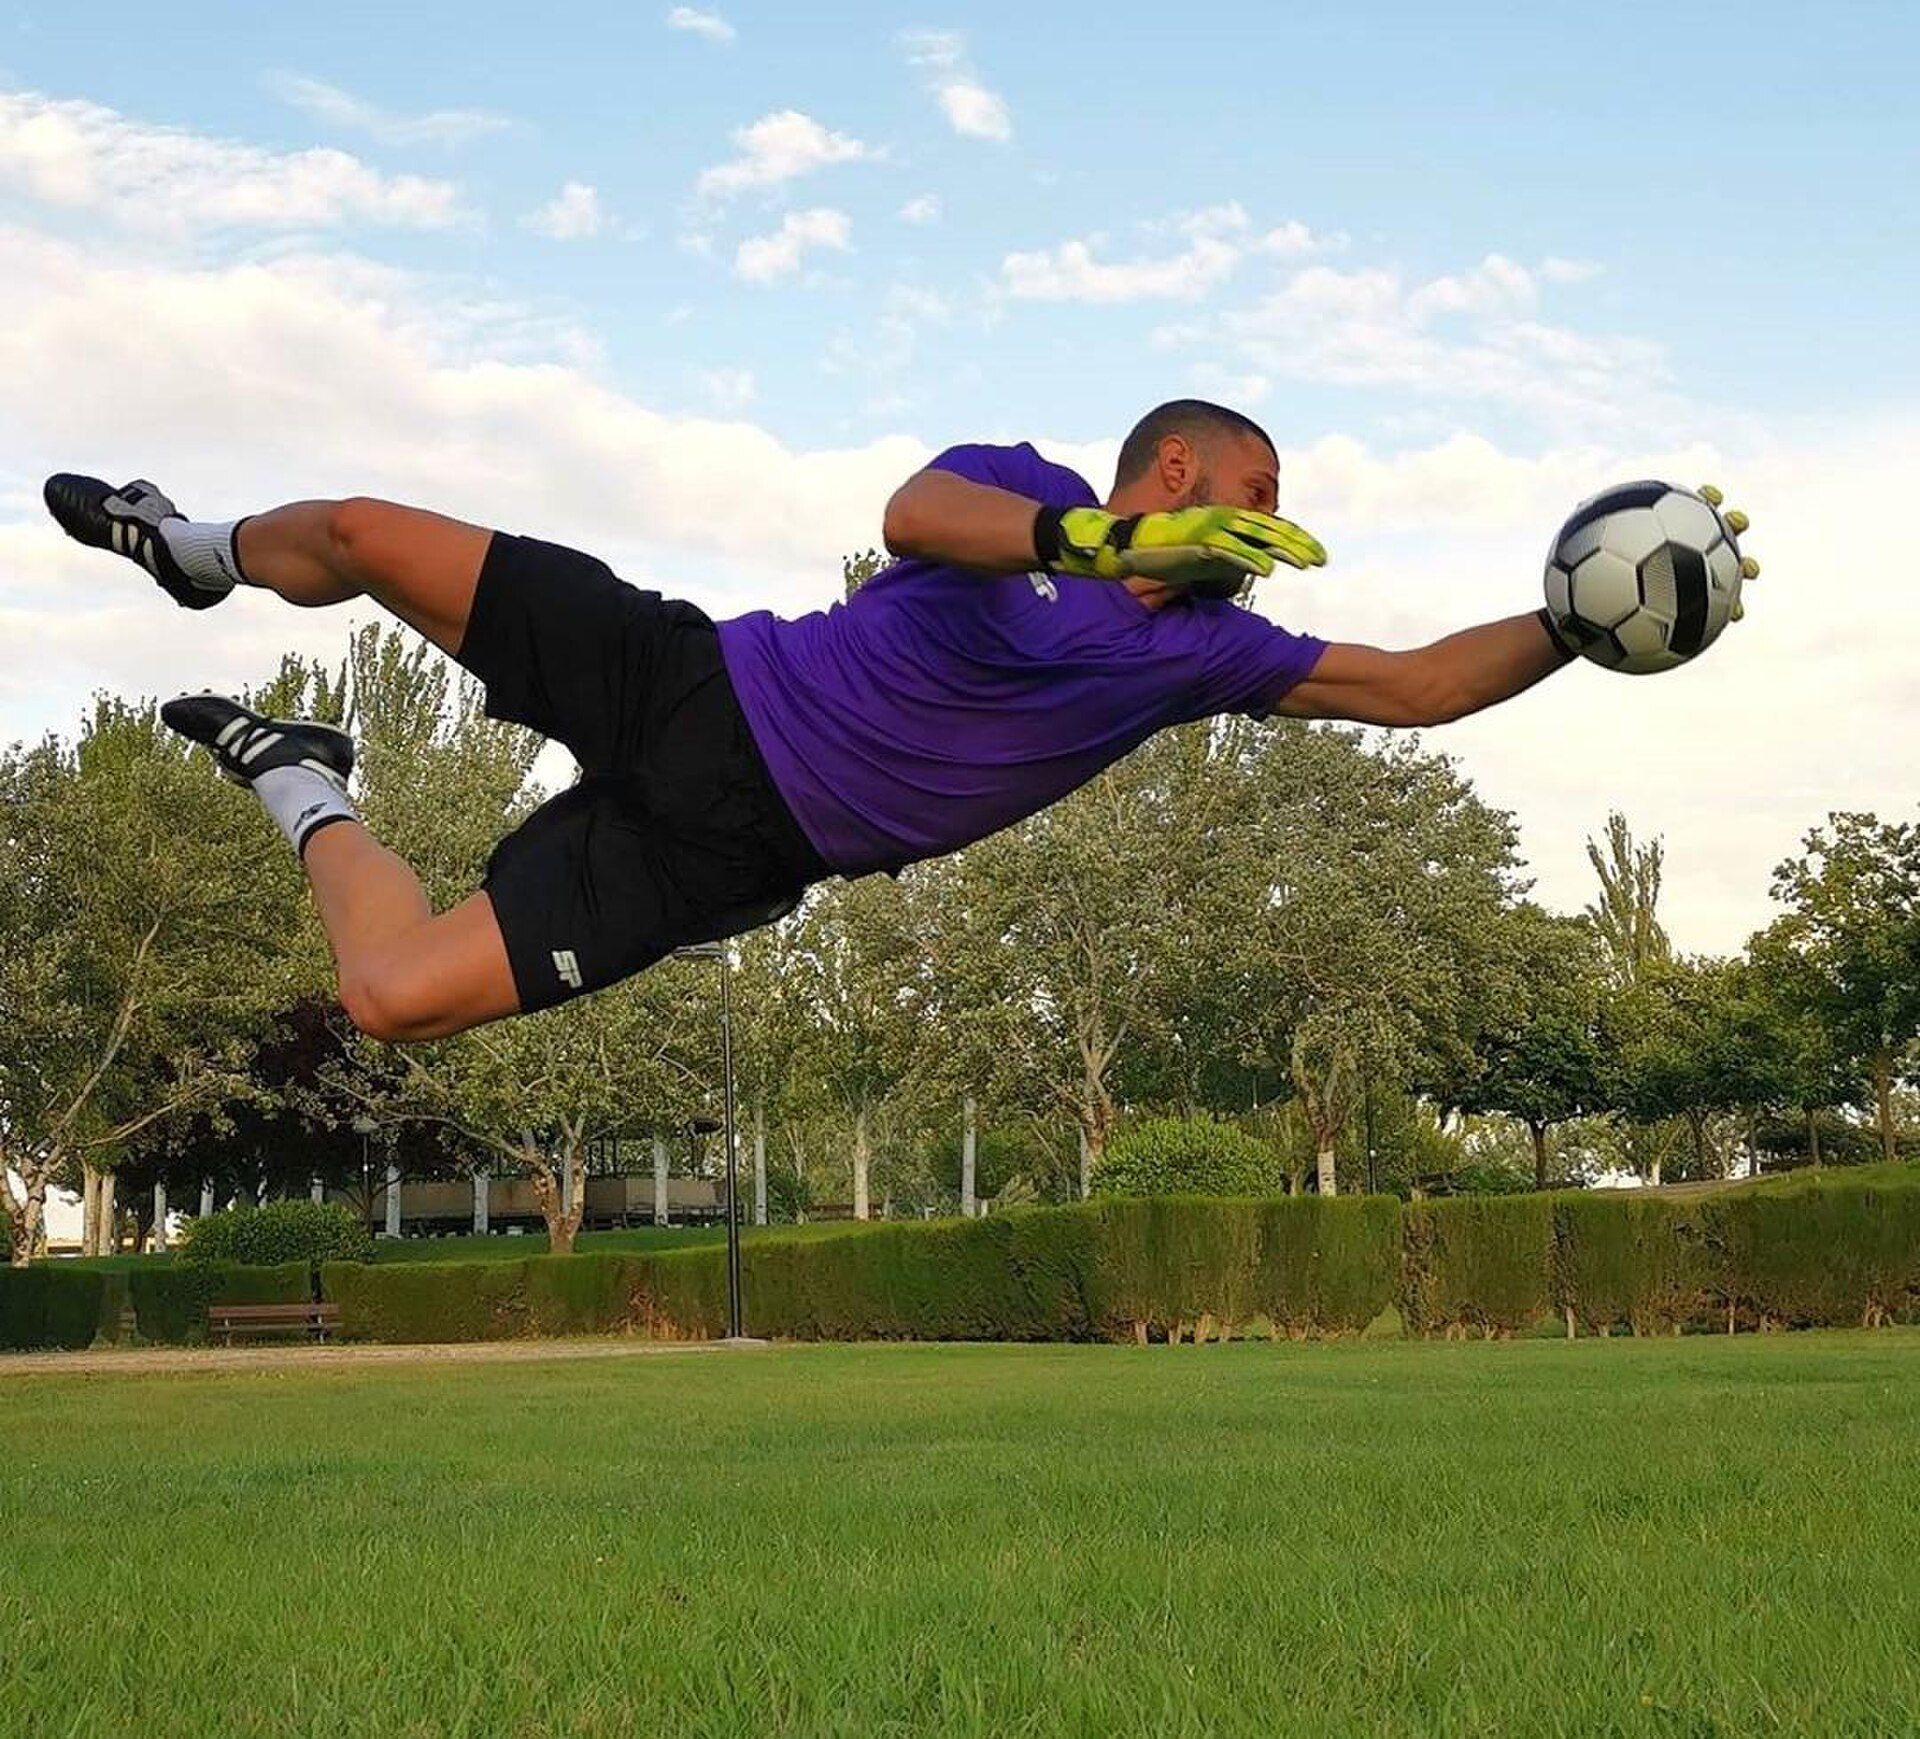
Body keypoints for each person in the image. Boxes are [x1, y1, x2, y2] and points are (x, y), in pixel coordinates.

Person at [44, 398, 1575, 1044]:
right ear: (1172, 472)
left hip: (735, 843)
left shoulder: (1213, 659)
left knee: (387, 996)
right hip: (698, 681)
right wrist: (1095, 547)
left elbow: (1423, 685)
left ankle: (304, 781)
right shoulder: (1030, 491)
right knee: (375, 534)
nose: (1271, 524)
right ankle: (197, 548)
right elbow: (915, 510)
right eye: (1258, 495)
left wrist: (1585, 625)